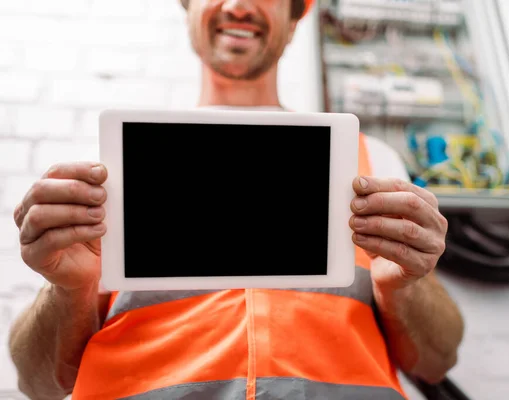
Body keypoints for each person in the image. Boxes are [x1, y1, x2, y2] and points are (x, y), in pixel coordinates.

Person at [8, 0, 465, 399]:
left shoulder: (373, 161)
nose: (238, 4)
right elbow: (39, 384)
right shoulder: (111, 168)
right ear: (187, 7)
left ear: (294, 17)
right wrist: (68, 289)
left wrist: (405, 285)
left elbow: (436, 361)